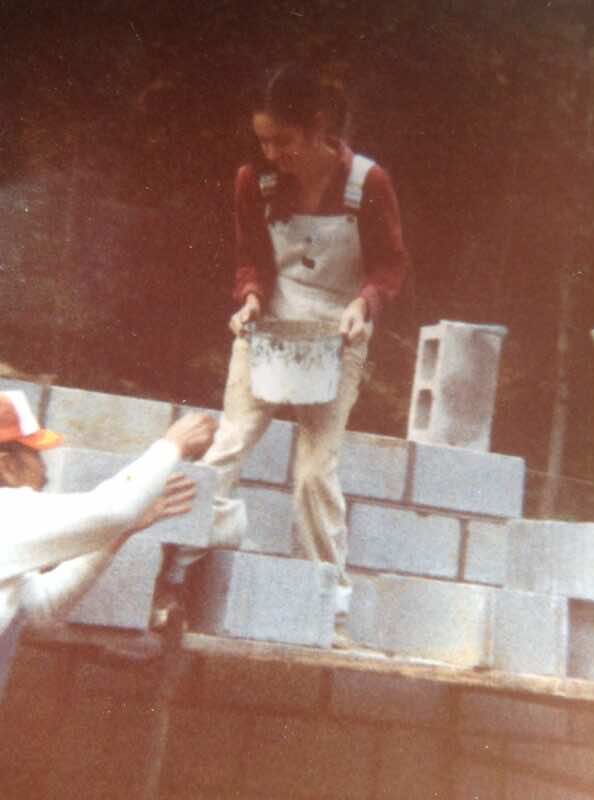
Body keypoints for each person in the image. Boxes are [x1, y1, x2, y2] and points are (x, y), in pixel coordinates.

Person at [168, 61, 409, 635]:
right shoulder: (256, 180)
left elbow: (390, 264)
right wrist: (250, 298)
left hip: (336, 330)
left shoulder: (367, 183)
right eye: (265, 141)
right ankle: (174, 570)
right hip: (272, 324)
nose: (274, 152)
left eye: (284, 140)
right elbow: (251, 256)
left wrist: (366, 303)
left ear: (318, 125)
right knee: (228, 445)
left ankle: (330, 597)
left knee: (313, 472)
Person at [0, 389, 216, 697]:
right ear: (6, 465)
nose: (44, 468)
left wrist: (118, 534)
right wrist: (172, 446)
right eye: (34, 454)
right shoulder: (7, 511)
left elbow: (40, 609)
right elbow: (110, 510)